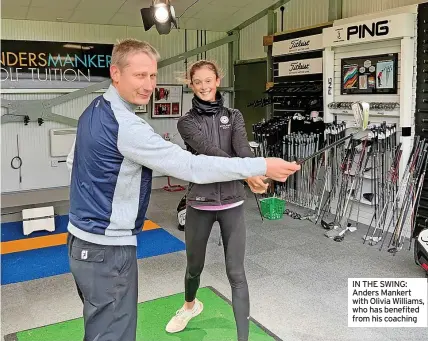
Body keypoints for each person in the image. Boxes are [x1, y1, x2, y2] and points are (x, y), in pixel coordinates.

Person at [66, 38, 300, 341]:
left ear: (218, 81)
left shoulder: (94, 109)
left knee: (100, 327)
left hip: (82, 242)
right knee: (113, 333)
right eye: (140, 75)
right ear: (115, 73)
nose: (148, 85)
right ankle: (190, 304)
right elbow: (194, 165)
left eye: (152, 76)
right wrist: (259, 167)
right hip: (107, 249)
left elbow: (73, 162)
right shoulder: (129, 126)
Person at [165, 60, 266, 341]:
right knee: (193, 268)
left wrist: (255, 170)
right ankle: (190, 306)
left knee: (237, 273)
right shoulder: (186, 122)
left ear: (217, 80)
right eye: (198, 82)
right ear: (192, 85)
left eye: (209, 80)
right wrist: (246, 174)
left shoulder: (233, 115)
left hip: (232, 203)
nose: (204, 86)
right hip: (200, 202)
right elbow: (208, 153)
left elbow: (242, 149)